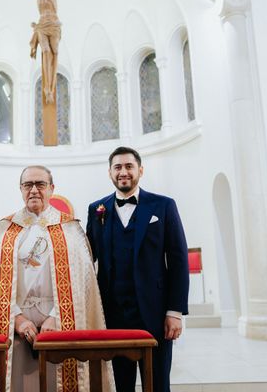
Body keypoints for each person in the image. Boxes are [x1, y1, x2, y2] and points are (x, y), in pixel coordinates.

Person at [0, 165, 113, 392]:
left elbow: (82, 284)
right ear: (20, 189)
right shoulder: (6, 229)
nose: (34, 190)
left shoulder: (70, 229)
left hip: (58, 325)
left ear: (51, 188)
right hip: (15, 325)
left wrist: (57, 317)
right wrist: (17, 319)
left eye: (40, 184)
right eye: (28, 185)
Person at [86, 147, 189, 392]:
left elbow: (178, 259)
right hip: (113, 314)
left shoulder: (163, 206)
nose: (123, 172)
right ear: (110, 172)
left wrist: (174, 311)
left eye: (129, 166)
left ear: (140, 171)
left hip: (155, 313)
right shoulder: (96, 209)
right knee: (120, 384)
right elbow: (88, 259)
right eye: (118, 167)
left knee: (157, 383)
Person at [0, 0, 103, 104]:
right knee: (46, 52)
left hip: (54, 24)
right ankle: (47, 89)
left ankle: (51, 86)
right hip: (41, 25)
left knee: (55, 53)